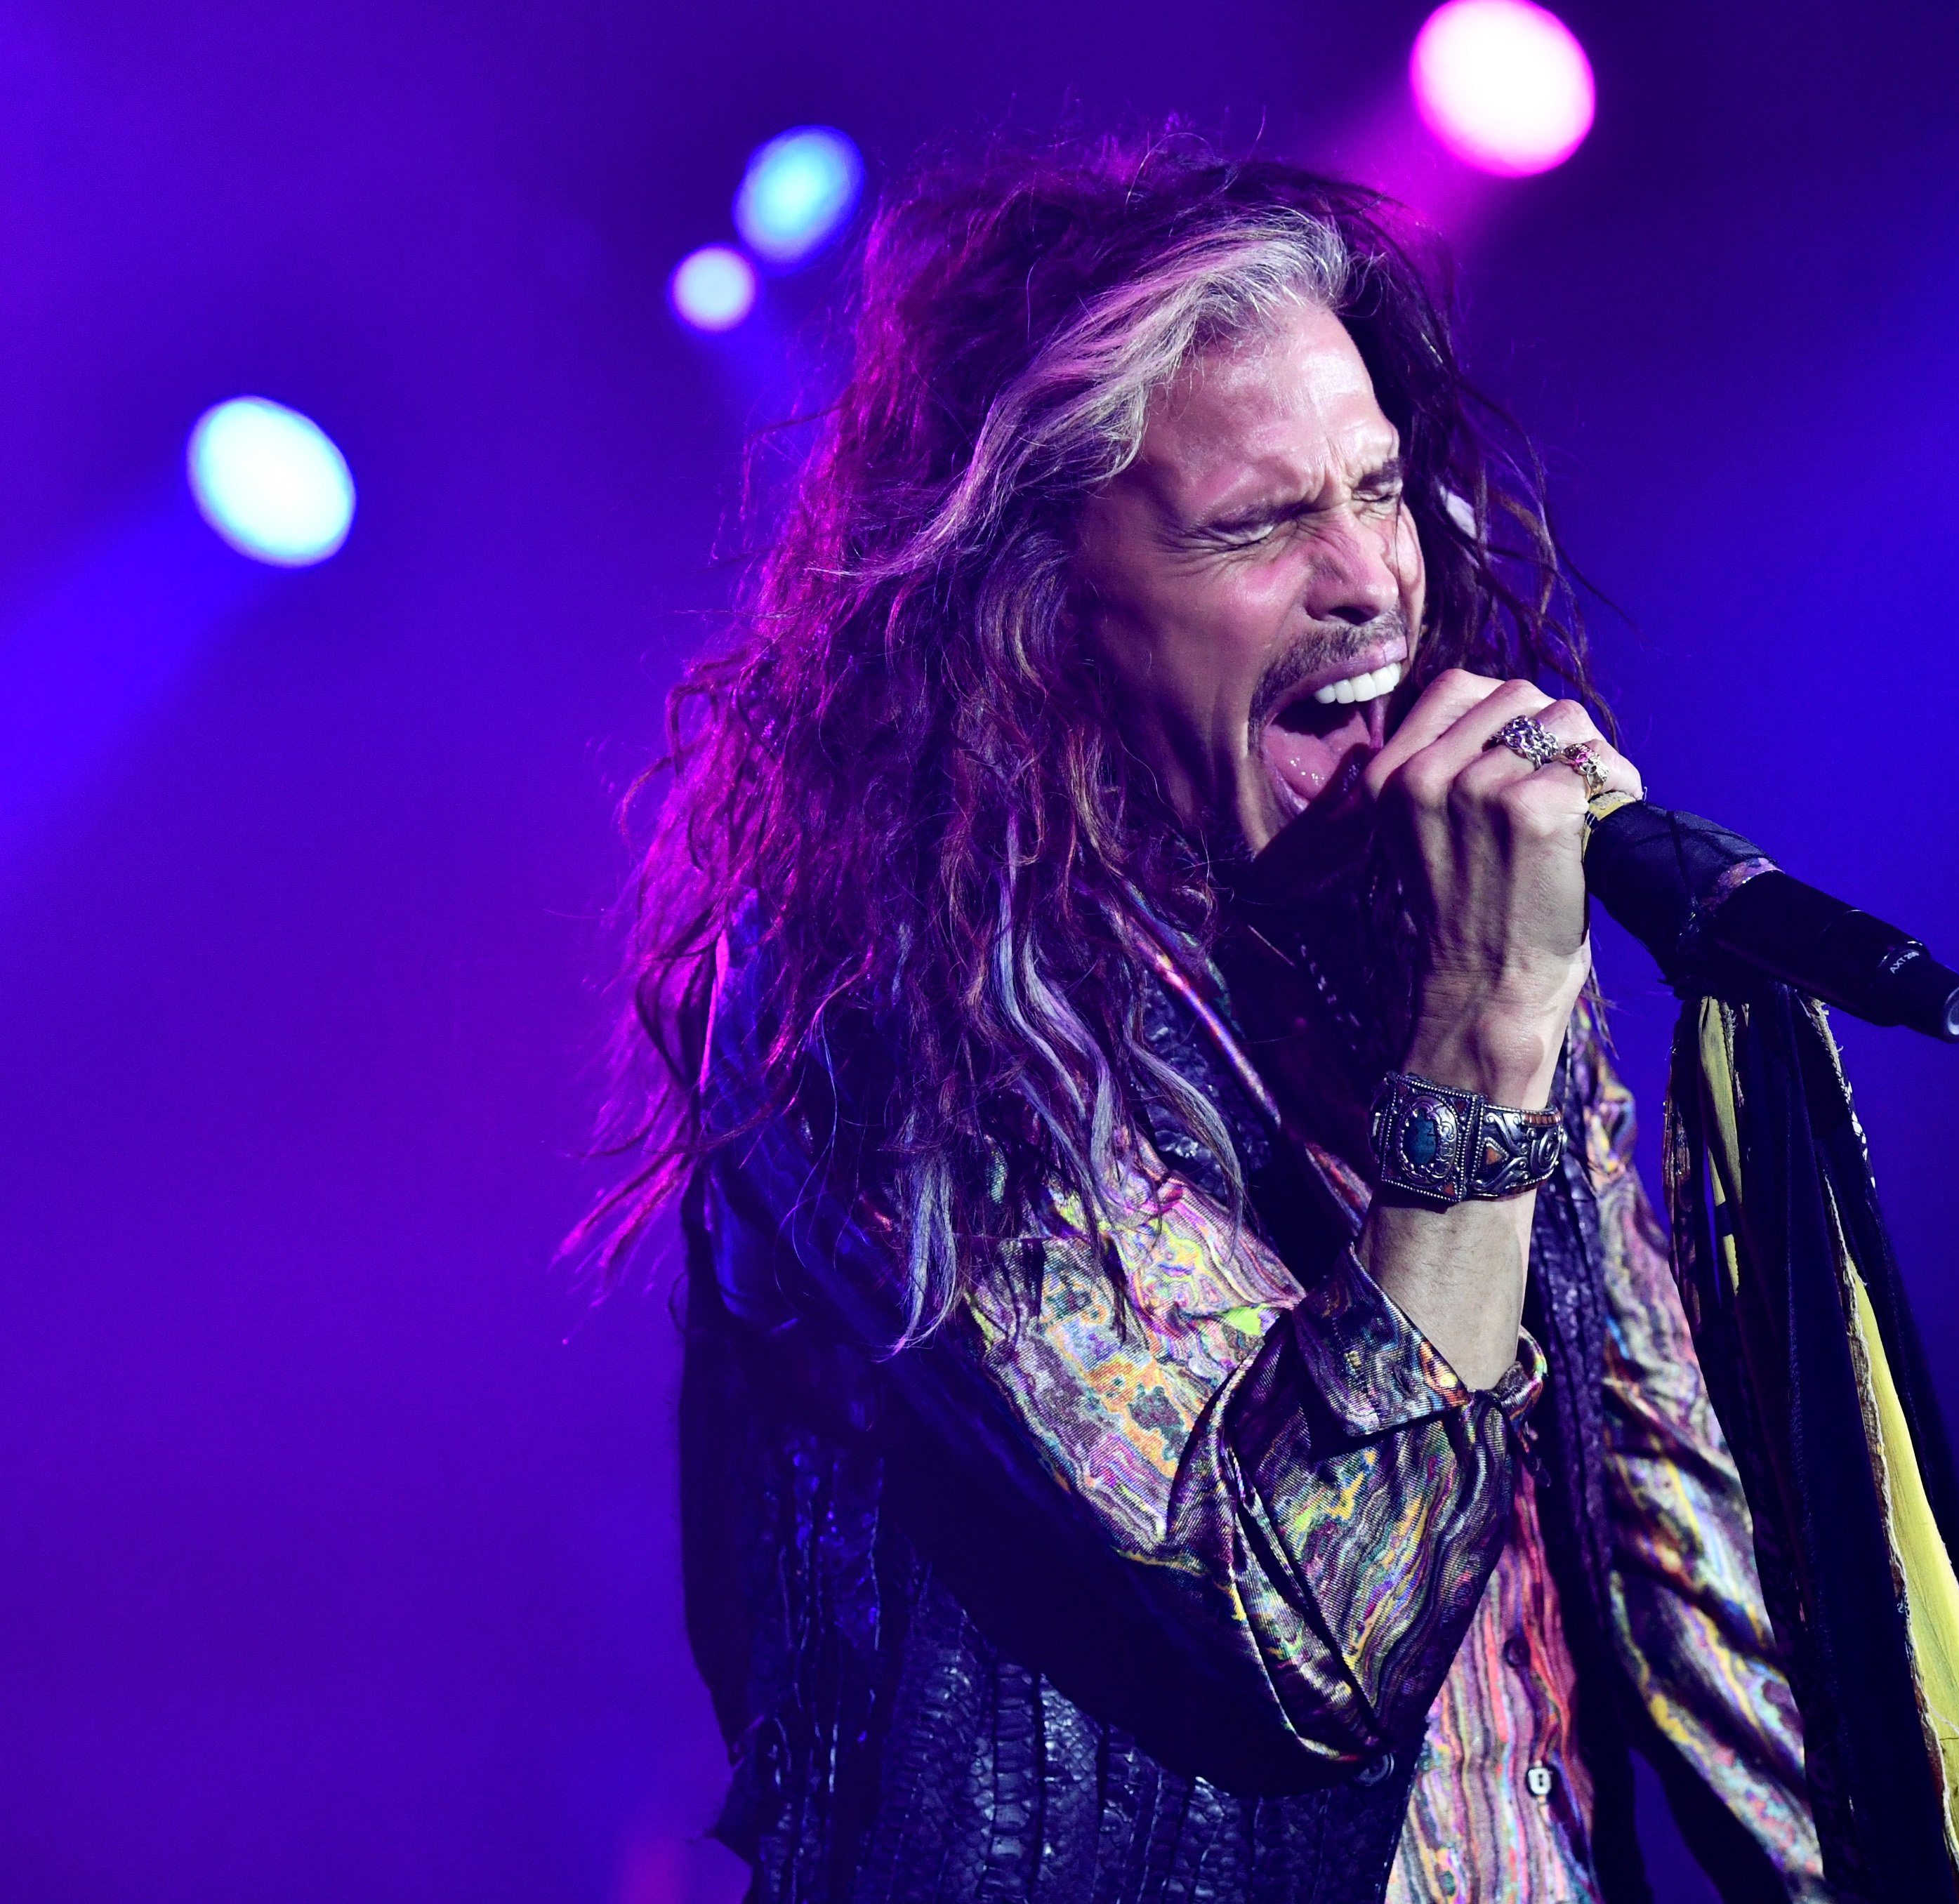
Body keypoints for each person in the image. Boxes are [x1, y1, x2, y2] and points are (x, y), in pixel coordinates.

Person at [586, 139, 1828, 1904]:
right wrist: (1480, 1041)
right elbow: (1319, 1634)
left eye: (1380, 493)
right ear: (1040, 606)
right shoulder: (893, 1004)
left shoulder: (1431, 923)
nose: (1369, 583)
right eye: (1257, 524)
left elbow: (1687, 1566)